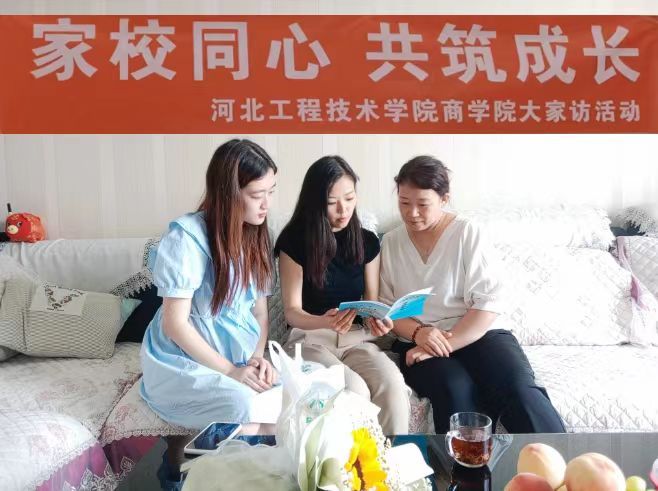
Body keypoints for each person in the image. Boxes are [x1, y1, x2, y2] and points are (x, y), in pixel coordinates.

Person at [380, 155, 565, 434]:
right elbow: (387, 310)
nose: (412, 213)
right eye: (404, 203)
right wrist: (420, 334)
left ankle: (560, 459)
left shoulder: (467, 232)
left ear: (444, 199)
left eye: (423, 204)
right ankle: (464, 464)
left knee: (519, 390)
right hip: (418, 339)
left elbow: (488, 303)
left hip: (478, 334)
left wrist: (443, 344)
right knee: (454, 387)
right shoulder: (391, 242)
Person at [140, 139, 279, 436]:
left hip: (237, 357)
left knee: (288, 401)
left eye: (271, 192)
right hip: (180, 361)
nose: (267, 204)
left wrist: (256, 358)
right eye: (257, 195)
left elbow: (260, 313)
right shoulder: (186, 239)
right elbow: (175, 324)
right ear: (229, 194)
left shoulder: (256, 236)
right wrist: (230, 371)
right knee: (246, 406)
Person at [275, 156, 410, 434]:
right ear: (315, 203)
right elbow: (292, 312)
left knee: (393, 387)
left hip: (356, 339)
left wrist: (377, 321)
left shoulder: (367, 241)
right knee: (354, 390)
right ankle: (349, 461)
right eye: (332, 202)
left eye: (349, 198)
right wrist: (325, 321)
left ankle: (389, 459)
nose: (343, 209)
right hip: (310, 339)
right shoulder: (294, 242)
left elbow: (371, 302)